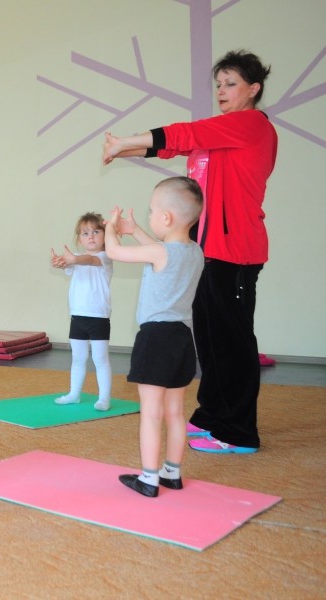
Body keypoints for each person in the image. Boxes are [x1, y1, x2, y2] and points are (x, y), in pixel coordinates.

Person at [102, 50, 277, 454]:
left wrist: (126, 140)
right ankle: (213, 414)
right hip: (206, 253)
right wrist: (121, 150)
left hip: (235, 253)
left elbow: (186, 134)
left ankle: (237, 432)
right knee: (210, 342)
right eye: (219, 84)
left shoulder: (251, 125)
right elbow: (173, 148)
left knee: (232, 345)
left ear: (253, 89)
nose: (222, 91)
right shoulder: (222, 137)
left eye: (231, 84)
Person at [104, 177, 204, 497]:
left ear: (166, 217)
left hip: (156, 337)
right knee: (175, 412)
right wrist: (135, 230)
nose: (149, 216)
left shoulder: (161, 252)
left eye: (151, 211)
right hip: (183, 340)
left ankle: (148, 479)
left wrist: (111, 228)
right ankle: (171, 473)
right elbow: (159, 252)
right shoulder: (195, 252)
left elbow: (113, 251)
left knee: (151, 412)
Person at [50, 212, 113, 411]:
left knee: (100, 359)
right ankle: (74, 394)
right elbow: (69, 264)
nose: (91, 236)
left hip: (98, 317)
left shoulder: (105, 257)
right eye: (85, 233)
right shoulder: (77, 259)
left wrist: (73, 259)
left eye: (96, 232)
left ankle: (104, 398)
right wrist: (60, 262)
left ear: (105, 236)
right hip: (77, 316)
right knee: (78, 358)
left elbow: (89, 260)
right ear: (79, 239)